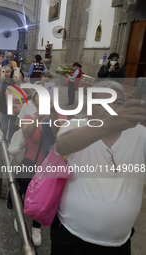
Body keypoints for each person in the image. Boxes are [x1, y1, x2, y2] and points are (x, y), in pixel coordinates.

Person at [52, 81, 146, 255]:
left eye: (117, 103)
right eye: (103, 103)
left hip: (118, 243)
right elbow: (62, 145)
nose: (111, 107)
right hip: (72, 237)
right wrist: (109, 124)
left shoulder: (140, 133)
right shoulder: (76, 126)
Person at [19, 92, 66, 246]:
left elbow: (57, 132)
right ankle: (18, 215)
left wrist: (52, 113)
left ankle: (36, 227)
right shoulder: (29, 117)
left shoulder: (61, 117)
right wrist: (38, 118)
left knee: (41, 197)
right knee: (23, 191)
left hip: (48, 167)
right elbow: (26, 133)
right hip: (30, 163)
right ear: (34, 101)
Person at [0, 65, 14, 141]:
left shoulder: (14, 82)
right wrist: (1, 82)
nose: (6, 74)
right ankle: (3, 142)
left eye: (8, 72)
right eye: (4, 72)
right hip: (3, 107)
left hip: (13, 108)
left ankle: (10, 140)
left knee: (13, 127)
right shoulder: (1, 82)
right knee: (4, 127)